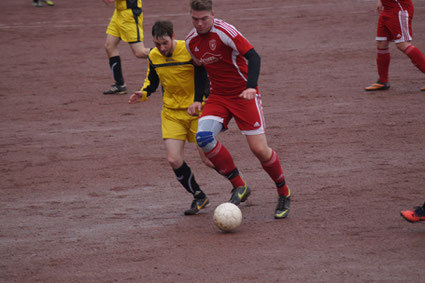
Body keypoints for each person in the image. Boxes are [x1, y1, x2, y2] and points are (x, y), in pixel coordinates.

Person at [185, 0, 291, 219]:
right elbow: (199, 70)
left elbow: (254, 56)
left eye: (204, 18)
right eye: (195, 19)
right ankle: (239, 185)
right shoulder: (191, 41)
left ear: (212, 15)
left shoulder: (225, 31)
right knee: (203, 138)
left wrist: (251, 87)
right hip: (218, 97)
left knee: (259, 150)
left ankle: (283, 191)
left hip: (244, 94)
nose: (200, 23)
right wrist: (197, 99)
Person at [129, 20, 214, 215]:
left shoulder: (189, 50)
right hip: (172, 112)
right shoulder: (154, 55)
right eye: (157, 44)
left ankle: (239, 185)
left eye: (164, 43)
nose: (161, 48)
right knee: (173, 159)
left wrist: (199, 100)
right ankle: (199, 196)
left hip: (196, 110)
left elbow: (204, 76)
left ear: (173, 36)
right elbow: (152, 79)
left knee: (209, 160)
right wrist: (144, 93)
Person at [365, 0, 425, 92]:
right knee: (382, 43)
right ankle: (382, 81)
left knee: (402, 44)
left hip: (399, 9)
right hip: (388, 9)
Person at [103, 0, 150, 95]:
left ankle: (169, 53)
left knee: (140, 52)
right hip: (118, 13)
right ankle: (120, 85)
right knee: (109, 46)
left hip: (130, 14)